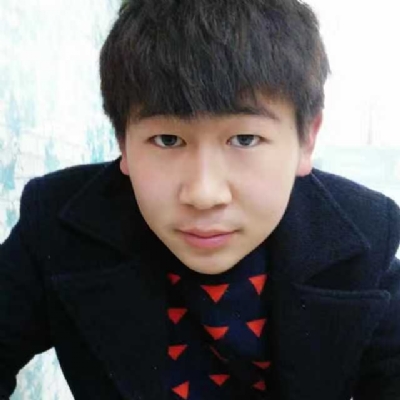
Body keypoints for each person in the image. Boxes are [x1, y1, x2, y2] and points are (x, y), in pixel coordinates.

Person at [1, 0, 399, 399]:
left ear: (306, 139)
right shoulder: (60, 227)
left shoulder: (360, 250)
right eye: (167, 140)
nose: (204, 194)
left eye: (245, 139)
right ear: (122, 141)